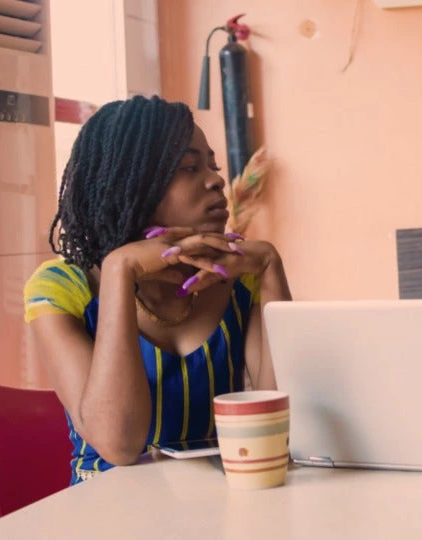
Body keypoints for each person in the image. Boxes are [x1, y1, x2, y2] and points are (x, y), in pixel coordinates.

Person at [24, 96, 292, 484]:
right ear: (129, 183)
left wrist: (270, 268)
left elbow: (275, 432)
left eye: (214, 165)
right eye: (188, 166)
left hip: (216, 506)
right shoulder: (62, 288)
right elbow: (118, 445)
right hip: (105, 514)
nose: (217, 179)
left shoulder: (241, 281)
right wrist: (120, 270)